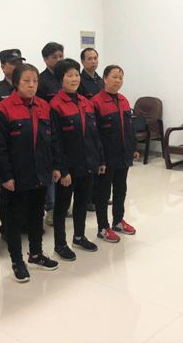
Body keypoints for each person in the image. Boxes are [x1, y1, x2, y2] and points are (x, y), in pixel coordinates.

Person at [0, 63, 60, 282]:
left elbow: (53, 140)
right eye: (26, 81)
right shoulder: (3, 109)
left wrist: (55, 166)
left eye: (35, 81)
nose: (32, 85)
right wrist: (6, 176)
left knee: (36, 216)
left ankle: (36, 254)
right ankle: (17, 261)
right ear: (16, 83)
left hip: (41, 173)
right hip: (17, 176)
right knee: (14, 221)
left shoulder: (44, 106)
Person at [49, 59, 104, 260]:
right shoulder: (55, 105)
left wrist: (100, 160)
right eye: (69, 75)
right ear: (60, 79)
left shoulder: (86, 102)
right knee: (62, 207)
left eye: (76, 75)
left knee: (82, 202)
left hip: (87, 163)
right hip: (68, 168)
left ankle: (79, 237)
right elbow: (55, 141)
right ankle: (60, 244)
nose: (74, 79)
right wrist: (63, 170)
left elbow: (94, 135)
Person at [91, 65, 139, 243]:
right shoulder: (96, 102)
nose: (118, 81)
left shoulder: (123, 100)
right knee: (103, 194)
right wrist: (100, 159)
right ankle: (103, 227)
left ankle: (118, 221)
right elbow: (94, 135)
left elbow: (130, 127)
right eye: (114, 77)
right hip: (106, 157)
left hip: (123, 154)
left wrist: (134, 147)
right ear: (104, 78)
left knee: (121, 190)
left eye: (121, 77)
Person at [0, 48, 26, 240]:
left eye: (20, 62)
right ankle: (7, 227)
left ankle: (24, 224)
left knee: (25, 191)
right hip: (6, 147)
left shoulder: (26, 87)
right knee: (8, 193)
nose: (18, 66)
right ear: (3, 67)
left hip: (24, 148)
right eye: (14, 63)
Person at [37, 42, 64, 226]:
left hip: (67, 129)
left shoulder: (66, 76)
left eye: (61, 56)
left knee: (64, 170)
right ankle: (51, 208)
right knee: (52, 172)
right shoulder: (41, 80)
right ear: (45, 59)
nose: (58, 59)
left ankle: (62, 205)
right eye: (54, 57)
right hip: (49, 130)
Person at [78, 47, 105, 211]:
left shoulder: (100, 80)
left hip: (102, 126)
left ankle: (99, 196)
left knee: (101, 163)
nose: (93, 61)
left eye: (95, 58)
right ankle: (88, 199)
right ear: (82, 62)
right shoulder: (80, 81)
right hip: (88, 127)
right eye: (90, 58)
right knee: (90, 165)